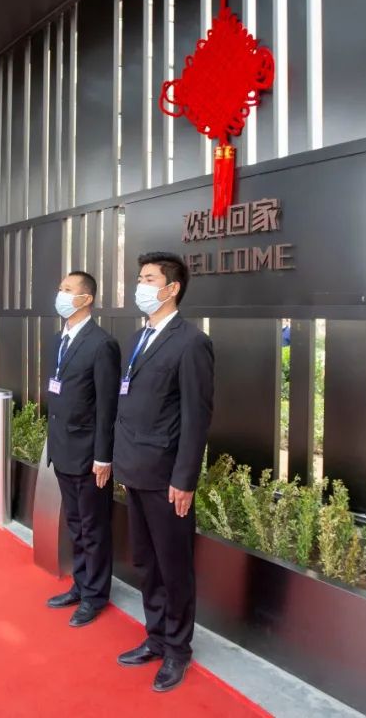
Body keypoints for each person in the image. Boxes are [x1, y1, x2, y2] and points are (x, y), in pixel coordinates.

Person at [113, 252, 214, 693]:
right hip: (134, 469)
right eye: (140, 278)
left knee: (174, 567)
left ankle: (177, 649)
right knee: (146, 561)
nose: (141, 286)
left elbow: (196, 417)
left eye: (149, 279)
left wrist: (184, 479)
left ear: (172, 288)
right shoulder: (139, 337)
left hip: (167, 478)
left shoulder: (191, 342)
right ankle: (155, 636)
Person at [44, 271, 121, 627]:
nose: (60, 294)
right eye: (60, 288)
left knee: (93, 528)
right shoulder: (59, 340)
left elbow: (107, 407)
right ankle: (81, 584)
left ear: (86, 299)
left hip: (89, 456)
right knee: (75, 525)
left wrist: (103, 456)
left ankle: (95, 596)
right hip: (63, 450)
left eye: (67, 289)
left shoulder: (101, 344)